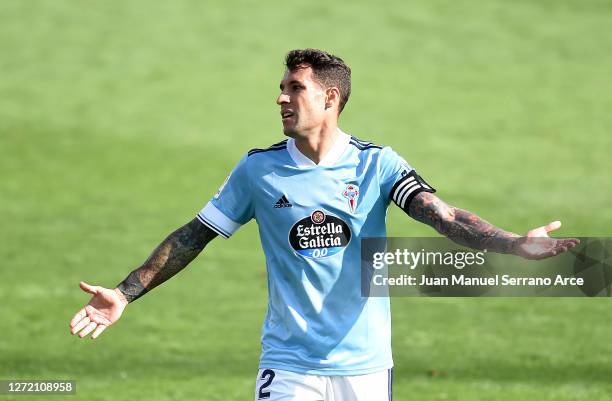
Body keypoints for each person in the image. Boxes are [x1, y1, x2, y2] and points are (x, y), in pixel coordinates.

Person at [69, 48, 579, 401]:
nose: (281, 98)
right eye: (282, 87)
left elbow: (443, 216)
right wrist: (125, 292)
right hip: (289, 367)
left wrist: (512, 243)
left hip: (365, 368)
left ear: (330, 98)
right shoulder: (259, 169)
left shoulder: (376, 165)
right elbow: (192, 235)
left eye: (296, 88)